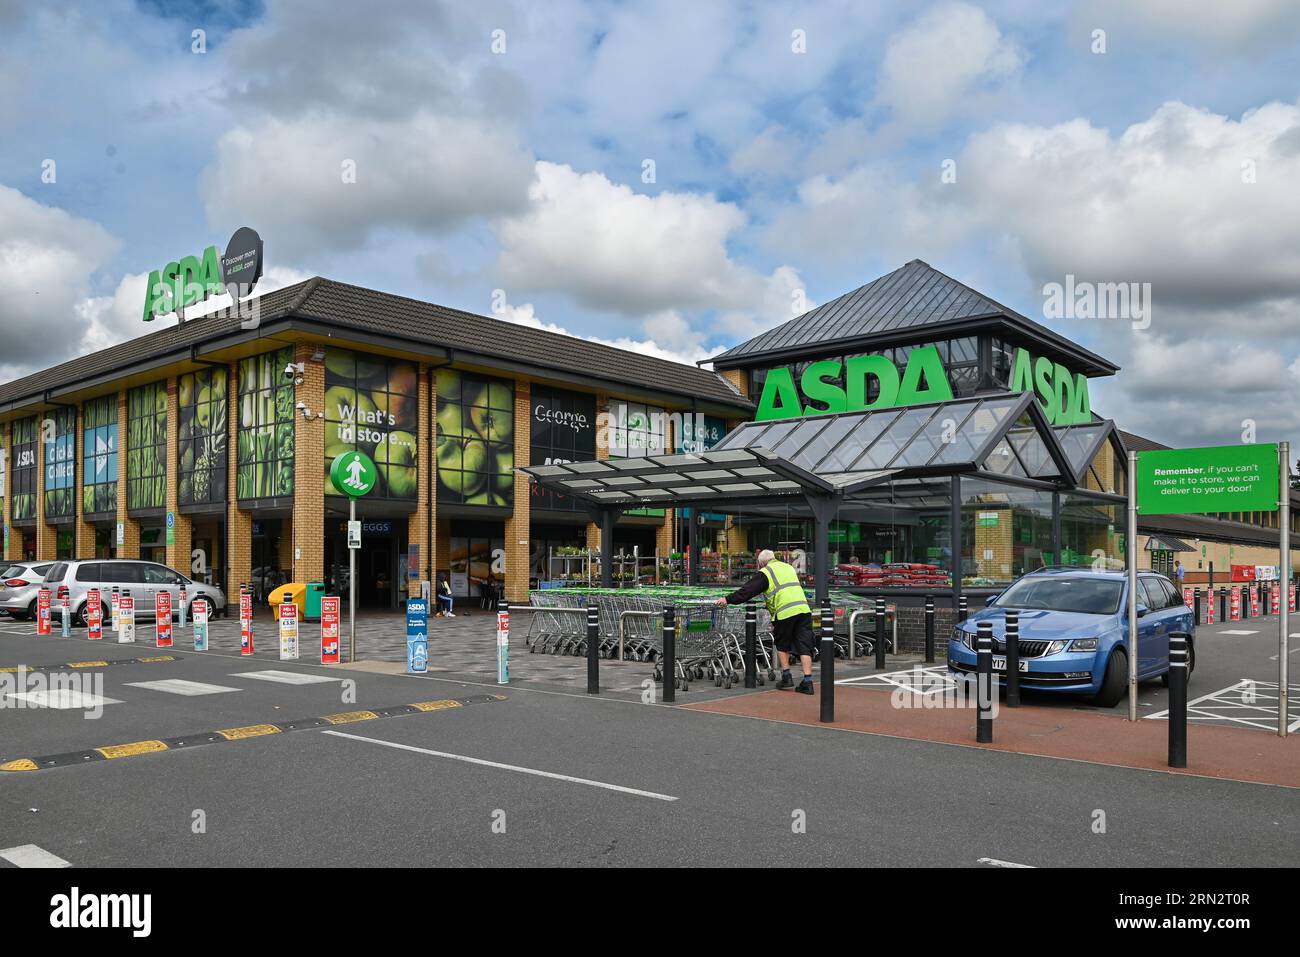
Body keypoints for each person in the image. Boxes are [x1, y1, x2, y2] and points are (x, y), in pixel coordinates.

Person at [714, 548, 815, 694]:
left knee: (782, 643)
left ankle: (786, 676)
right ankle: (808, 681)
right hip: (803, 609)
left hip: (785, 611)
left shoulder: (766, 572)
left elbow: (747, 591)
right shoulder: (788, 567)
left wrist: (727, 599)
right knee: (805, 644)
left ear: (762, 563)